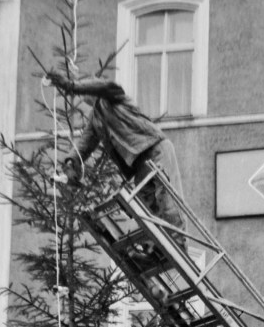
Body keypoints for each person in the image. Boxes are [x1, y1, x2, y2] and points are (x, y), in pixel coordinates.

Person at [46, 69, 185, 235]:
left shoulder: (112, 96)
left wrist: (72, 86)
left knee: (167, 200)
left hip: (155, 149)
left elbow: (105, 86)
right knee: (146, 209)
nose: (84, 96)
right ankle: (156, 252)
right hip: (139, 165)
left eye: (86, 90)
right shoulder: (95, 119)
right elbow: (83, 145)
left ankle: (179, 242)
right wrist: (70, 164)